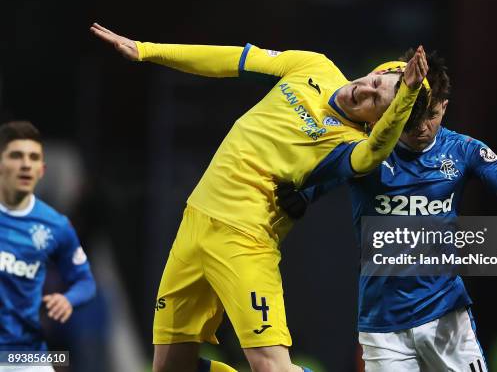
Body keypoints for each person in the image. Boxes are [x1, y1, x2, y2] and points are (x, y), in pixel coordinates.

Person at [90, 22, 431, 372]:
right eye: (375, 83)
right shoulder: (314, 66)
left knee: (272, 368)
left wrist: (405, 97)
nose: (365, 92)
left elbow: (372, 154)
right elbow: (231, 59)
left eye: (377, 102)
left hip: (245, 241)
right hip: (194, 223)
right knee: (171, 368)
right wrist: (146, 49)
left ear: (379, 123)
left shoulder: (350, 144)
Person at [276, 49, 497, 371]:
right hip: (382, 323)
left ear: (445, 107)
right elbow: (326, 172)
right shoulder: (366, 148)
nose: (423, 127)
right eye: (415, 115)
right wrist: (304, 195)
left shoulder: (462, 149)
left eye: (433, 115)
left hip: (445, 315)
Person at [0, 121, 96, 368]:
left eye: (33, 158)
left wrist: (68, 300)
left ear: (41, 170)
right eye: (16, 156)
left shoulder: (56, 227)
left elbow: (85, 282)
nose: (25, 165)